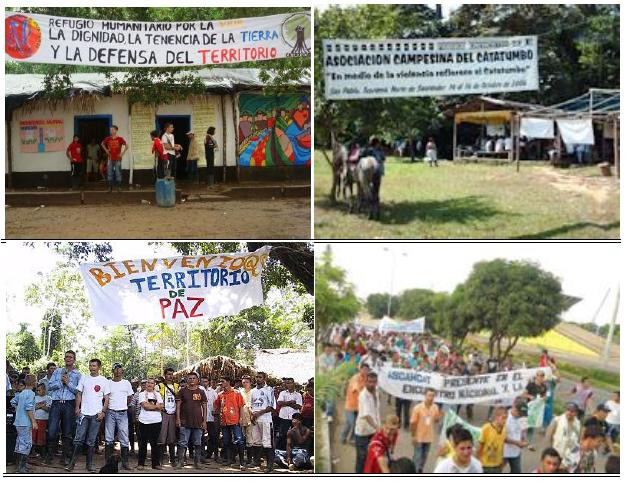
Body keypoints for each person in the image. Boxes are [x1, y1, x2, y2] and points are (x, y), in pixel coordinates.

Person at [66, 358, 110, 473]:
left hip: (96, 414)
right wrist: (77, 407)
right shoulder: (84, 378)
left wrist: (103, 412)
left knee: (91, 440)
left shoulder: (104, 380)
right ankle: (71, 463)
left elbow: (106, 398)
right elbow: (79, 394)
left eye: (94, 366)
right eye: (90, 365)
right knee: (78, 439)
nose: (92, 368)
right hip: (84, 413)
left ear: (99, 367)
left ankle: (89, 464)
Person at [46, 350, 82, 466]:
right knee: (52, 431)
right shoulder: (57, 371)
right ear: (64, 359)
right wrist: (61, 382)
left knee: (67, 432)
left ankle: (65, 458)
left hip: (69, 404)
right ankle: (49, 456)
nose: (68, 359)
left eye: (71, 357)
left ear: (74, 360)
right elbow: (50, 386)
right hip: (56, 403)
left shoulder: (78, 374)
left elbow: (78, 391)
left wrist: (68, 383)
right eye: (66, 357)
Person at [105, 362, 134, 470]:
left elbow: (130, 397)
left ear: (122, 371)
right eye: (115, 369)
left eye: (119, 369)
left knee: (124, 438)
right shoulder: (108, 383)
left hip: (122, 412)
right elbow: (106, 397)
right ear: (112, 371)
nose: (117, 371)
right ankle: (108, 463)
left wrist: (123, 405)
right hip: (110, 412)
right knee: (108, 438)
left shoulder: (126, 383)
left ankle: (125, 462)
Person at [176, 372, 207, 469]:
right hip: (185, 421)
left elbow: (205, 407)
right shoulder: (182, 391)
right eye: (190, 378)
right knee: (183, 442)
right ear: (187, 380)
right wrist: (178, 419)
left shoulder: (201, 392)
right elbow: (178, 406)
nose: (192, 380)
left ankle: (197, 462)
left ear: (198, 380)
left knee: (198, 442)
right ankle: (181, 462)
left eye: (194, 378)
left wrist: (204, 421)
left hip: (198, 421)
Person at [217, 376, 247, 470]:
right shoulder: (220, 394)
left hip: (235, 421)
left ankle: (242, 462)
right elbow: (217, 406)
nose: (221, 383)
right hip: (224, 422)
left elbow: (241, 406)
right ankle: (230, 460)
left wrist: (241, 418)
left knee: (239, 440)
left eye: (223, 381)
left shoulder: (236, 393)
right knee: (226, 441)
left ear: (228, 382)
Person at [409, 387, 442, 473]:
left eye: (433, 396)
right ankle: (414, 472)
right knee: (417, 456)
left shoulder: (435, 407)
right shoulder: (417, 408)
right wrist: (413, 436)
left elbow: (436, 420)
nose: (431, 398)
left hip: (429, 437)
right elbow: (412, 423)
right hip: (419, 437)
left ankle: (420, 470)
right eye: (429, 395)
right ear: (425, 396)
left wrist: (439, 417)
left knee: (424, 457)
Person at [354, 372, 381, 473]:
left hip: (373, 432)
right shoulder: (363, 395)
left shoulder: (376, 392)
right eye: (369, 382)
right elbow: (366, 415)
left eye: (374, 382)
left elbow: (376, 411)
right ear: (365, 382)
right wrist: (377, 428)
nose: (372, 384)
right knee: (362, 458)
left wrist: (378, 426)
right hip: (362, 433)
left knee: (371, 457)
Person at [249, 371, 276, 472]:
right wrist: (252, 414)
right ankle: (256, 461)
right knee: (256, 441)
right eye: (256, 377)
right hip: (255, 419)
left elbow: (271, 406)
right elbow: (250, 405)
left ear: (264, 379)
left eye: (260, 377)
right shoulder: (253, 391)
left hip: (265, 419)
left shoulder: (269, 390)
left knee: (267, 442)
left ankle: (270, 466)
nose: (258, 379)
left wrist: (259, 413)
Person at [11, 374, 37, 473]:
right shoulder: (31, 394)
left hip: (18, 422)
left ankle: (20, 466)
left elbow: (13, 402)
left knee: (20, 442)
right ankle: (21, 468)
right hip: (25, 423)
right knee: (26, 444)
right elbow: (29, 408)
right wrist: (34, 421)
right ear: (34, 383)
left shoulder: (21, 393)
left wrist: (18, 409)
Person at [137, 378, 164, 470]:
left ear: (154, 385)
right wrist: (156, 406)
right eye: (148, 382)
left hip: (156, 421)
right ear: (146, 384)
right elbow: (145, 406)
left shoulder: (158, 394)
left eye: (152, 383)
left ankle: (155, 464)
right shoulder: (141, 394)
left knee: (154, 443)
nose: (149, 384)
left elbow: (161, 406)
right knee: (143, 443)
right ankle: (141, 463)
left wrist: (151, 406)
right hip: (144, 421)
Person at [547, 402, 581, 472]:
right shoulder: (557, 420)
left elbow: (578, 441)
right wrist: (549, 454)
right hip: (555, 454)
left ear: (576, 413)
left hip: (569, 458)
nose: (569, 412)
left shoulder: (578, 424)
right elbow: (548, 437)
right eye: (568, 410)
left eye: (572, 411)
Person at [157, 367, 180, 467]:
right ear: (165, 375)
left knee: (172, 437)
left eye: (172, 374)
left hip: (173, 414)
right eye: (168, 374)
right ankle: (160, 459)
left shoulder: (176, 386)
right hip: (163, 413)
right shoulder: (159, 386)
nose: (170, 376)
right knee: (162, 437)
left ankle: (172, 459)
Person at [341, 363, 369, 444]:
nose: (365, 371)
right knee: (351, 423)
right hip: (350, 406)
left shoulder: (366, 379)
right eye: (364, 369)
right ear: (360, 369)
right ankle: (343, 437)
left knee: (354, 423)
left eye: (367, 370)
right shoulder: (355, 378)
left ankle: (351, 439)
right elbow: (356, 389)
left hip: (359, 406)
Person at [477, 406, 507, 473]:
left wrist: (501, 461)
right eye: (503, 418)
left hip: (497, 465)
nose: (505, 421)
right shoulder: (486, 428)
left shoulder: (504, 429)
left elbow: (502, 446)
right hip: (485, 465)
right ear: (496, 417)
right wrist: (478, 463)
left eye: (506, 418)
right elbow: (480, 447)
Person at [503, 399, 529, 473]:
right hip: (503, 451)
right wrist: (517, 443)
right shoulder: (504, 417)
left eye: (523, 414)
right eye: (519, 413)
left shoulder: (523, 417)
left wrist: (524, 439)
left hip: (516, 452)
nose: (521, 416)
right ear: (514, 408)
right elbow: (502, 437)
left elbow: (524, 430)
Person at [276, 378, 303, 450]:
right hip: (284, 417)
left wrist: (286, 403)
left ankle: (293, 451)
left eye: (291, 383)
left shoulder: (298, 395)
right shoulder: (282, 393)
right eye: (287, 383)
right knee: (282, 435)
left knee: (294, 435)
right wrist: (290, 402)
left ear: (294, 383)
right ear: (285, 384)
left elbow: (298, 406)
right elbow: (279, 403)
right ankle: (280, 451)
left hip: (294, 418)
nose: (289, 385)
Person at [101, 125, 128, 192]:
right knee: (109, 172)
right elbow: (102, 144)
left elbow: (127, 146)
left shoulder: (120, 139)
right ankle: (110, 188)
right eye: (111, 130)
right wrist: (106, 150)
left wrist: (122, 154)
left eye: (112, 130)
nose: (111, 131)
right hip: (110, 158)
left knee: (118, 173)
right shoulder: (108, 138)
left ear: (116, 130)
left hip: (118, 159)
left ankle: (119, 188)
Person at [201, 376, 219, 462]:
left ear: (208, 382)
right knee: (201, 437)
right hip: (200, 418)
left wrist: (215, 411)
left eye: (206, 381)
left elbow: (217, 403)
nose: (204, 383)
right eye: (203, 381)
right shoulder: (198, 390)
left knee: (213, 436)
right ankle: (201, 455)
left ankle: (209, 453)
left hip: (211, 418)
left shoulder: (213, 392)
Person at [32, 383, 51, 460]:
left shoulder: (48, 398)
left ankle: (42, 453)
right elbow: (33, 408)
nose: (38, 391)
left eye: (39, 390)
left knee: (42, 436)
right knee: (33, 436)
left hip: (44, 420)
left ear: (44, 390)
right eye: (37, 390)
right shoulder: (34, 397)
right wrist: (42, 405)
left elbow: (48, 409)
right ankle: (32, 452)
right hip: (35, 419)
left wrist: (38, 406)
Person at [239, 375, 254, 464]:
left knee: (250, 439)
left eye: (247, 382)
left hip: (250, 418)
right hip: (241, 417)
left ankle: (249, 459)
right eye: (243, 382)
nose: (245, 384)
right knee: (240, 438)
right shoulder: (240, 392)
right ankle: (241, 458)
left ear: (250, 383)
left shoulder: (253, 392)